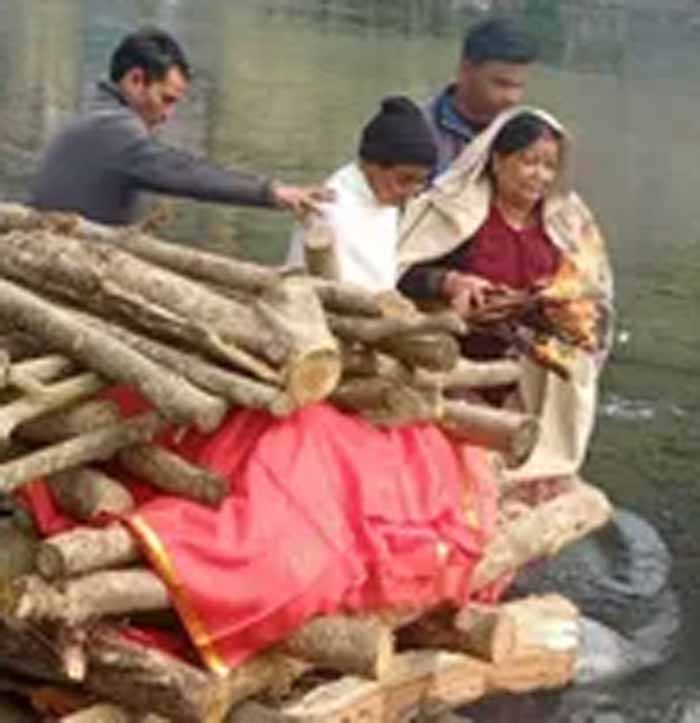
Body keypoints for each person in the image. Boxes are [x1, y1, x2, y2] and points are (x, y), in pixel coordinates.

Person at [397, 106, 613, 484]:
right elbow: (397, 272)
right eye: (529, 162)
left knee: (571, 362)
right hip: (458, 359)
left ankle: (544, 455)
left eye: (550, 166)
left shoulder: (569, 221)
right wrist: (450, 282)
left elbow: (594, 292)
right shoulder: (452, 209)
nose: (540, 176)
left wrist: (553, 301)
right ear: (497, 160)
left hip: (534, 362)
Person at [32, 27, 329, 226]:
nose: (167, 115)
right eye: (166, 100)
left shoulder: (95, 115)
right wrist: (270, 192)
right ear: (136, 80)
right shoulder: (114, 129)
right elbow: (184, 173)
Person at [287, 96, 436, 291]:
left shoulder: (383, 199)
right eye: (405, 180)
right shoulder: (332, 206)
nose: (412, 193)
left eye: (420, 182)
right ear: (371, 165)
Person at [423, 16, 539, 176]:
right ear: (465, 70)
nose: (513, 98)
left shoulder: (524, 138)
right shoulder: (417, 128)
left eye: (520, 86)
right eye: (502, 84)